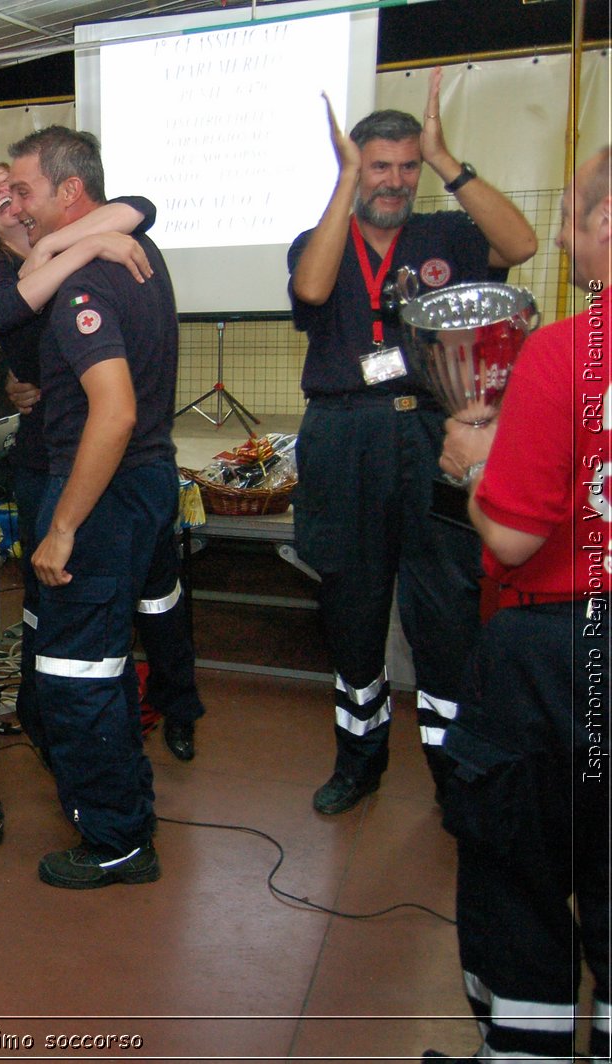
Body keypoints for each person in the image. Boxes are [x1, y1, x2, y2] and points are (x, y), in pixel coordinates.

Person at [287, 72, 538, 815]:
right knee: (352, 609)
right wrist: (341, 186)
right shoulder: (319, 237)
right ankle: (358, 763)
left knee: (447, 614)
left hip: (435, 433)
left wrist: (447, 160)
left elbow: (519, 243)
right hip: (343, 434)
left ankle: (454, 774)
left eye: (406, 166)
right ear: (355, 170)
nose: (394, 182)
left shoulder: (449, 235)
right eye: (378, 167)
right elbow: (310, 289)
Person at [426, 147, 609, 1064]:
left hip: (558, 649)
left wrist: (473, 470)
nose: (567, 235)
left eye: (575, 214)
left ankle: (526, 1051)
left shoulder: (569, 350)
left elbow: (511, 537)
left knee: (521, 875)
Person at [0, 163, 208, 763]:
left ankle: (178, 703)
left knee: (157, 592)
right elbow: (11, 311)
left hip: (128, 449)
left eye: (5, 183)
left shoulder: (82, 237)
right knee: (53, 598)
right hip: (51, 458)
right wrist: (85, 243)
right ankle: (52, 716)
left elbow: (141, 204)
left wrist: (73, 238)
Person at [6, 126, 179, 889]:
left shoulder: (87, 285)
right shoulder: (132, 259)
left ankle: (118, 840)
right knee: (86, 660)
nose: (17, 204)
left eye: (27, 191)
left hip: (101, 492)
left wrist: (65, 525)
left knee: (81, 671)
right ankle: (112, 809)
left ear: (70, 193)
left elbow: (111, 412)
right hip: (137, 480)